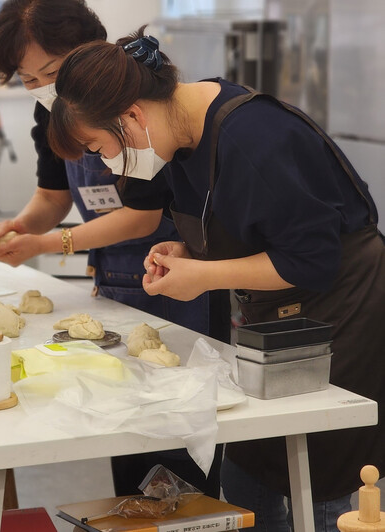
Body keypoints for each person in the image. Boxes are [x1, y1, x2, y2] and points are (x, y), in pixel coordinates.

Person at [46, 29, 385, 532]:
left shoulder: (253, 138)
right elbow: (244, 226)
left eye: (100, 147)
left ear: (132, 116)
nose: (106, 163)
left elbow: (311, 259)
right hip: (270, 310)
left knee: (320, 470)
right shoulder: (179, 138)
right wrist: (189, 252)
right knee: (249, 465)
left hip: (340, 307)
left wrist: (204, 275)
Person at [0, 0, 228, 496]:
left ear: (88, 48)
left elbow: (142, 217)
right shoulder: (50, 111)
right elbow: (52, 197)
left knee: (178, 430)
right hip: (112, 279)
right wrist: (19, 226)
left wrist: (50, 246)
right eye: (29, 79)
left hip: (173, 274)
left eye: (51, 71)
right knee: (121, 424)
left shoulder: (128, 102)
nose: (44, 88)